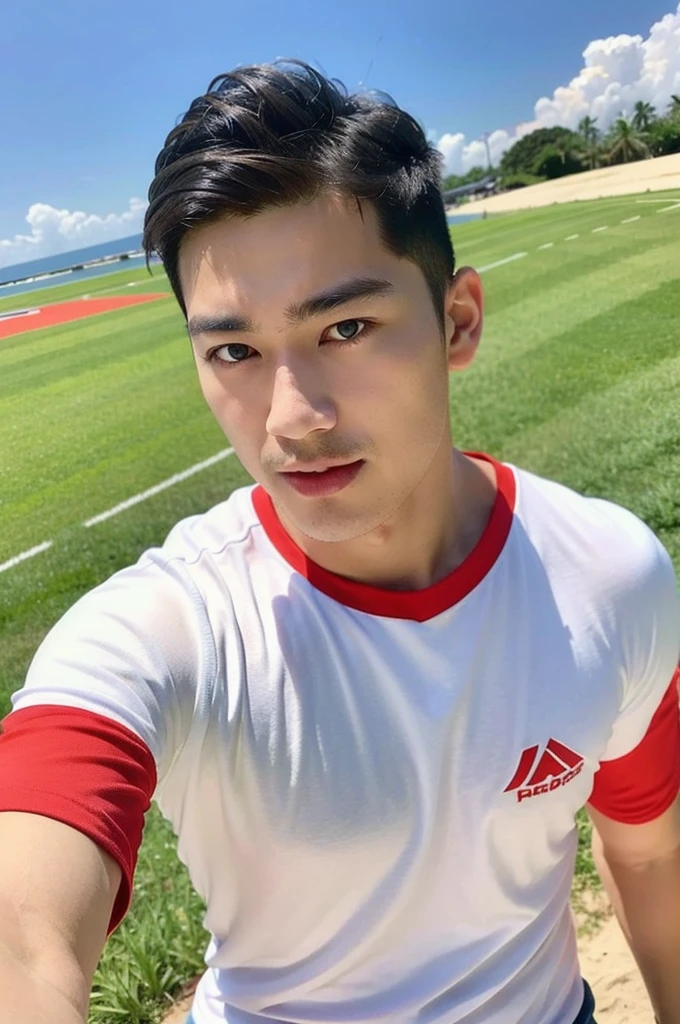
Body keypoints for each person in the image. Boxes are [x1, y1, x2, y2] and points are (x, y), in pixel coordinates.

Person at [0, 61, 679, 1024]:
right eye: (233, 351)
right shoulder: (165, 628)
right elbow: (22, 941)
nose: (293, 419)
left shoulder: (610, 574)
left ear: (458, 320)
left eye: (346, 326)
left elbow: (649, 847)